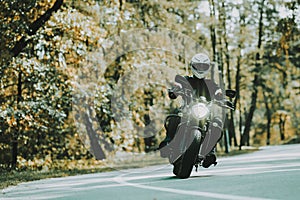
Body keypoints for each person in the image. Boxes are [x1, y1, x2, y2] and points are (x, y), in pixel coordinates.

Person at [159, 53, 224, 168]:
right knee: (174, 117)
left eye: (203, 66)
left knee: (217, 123)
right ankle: (168, 142)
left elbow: (218, 90)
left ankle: (210, 151)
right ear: (192, 66)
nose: (200, 69)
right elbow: (177, 83)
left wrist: (220, 95)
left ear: (207, 68)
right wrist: (176, 89)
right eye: (198, 66)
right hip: (187, 110)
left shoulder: (210, 84)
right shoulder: (185, 80)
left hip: (205, 112)